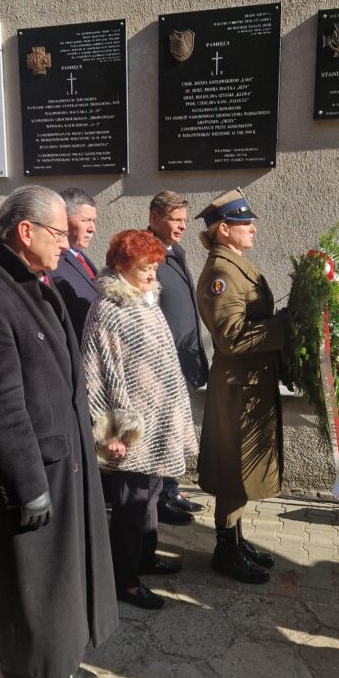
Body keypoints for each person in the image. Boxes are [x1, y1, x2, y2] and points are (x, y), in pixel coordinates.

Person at [0, 185, 118, 678]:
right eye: (60, 234)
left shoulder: (32, 284)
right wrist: (26, 484)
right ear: (27, 232)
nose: (69, 246)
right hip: (32, 471)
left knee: (63, 574)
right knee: (28, 582)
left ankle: (57, 657)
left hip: (66, 457)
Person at [81, 229, 198, 610]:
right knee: (130, 505)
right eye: (144, 268)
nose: (152, 275)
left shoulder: (146, 300)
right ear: (120, 266)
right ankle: (123, 580)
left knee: (149, 497)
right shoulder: (108, 309)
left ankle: (144, 558)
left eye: (154, 267)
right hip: (130, 428)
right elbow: (97, 372)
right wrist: (110, 431)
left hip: (158, 421)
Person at [195, 188, 288, 585]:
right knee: (234, 469)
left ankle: (235, 538)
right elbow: (231, 338)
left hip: (251, 383)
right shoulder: (221, 273)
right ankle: (225, 550)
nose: (251, 229)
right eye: (243, 223)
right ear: (223, 230)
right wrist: (285, 325)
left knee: (241, 470)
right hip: (238, 387)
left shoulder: (235, 264)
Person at [148, 190, 208, 526]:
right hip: (158, 365)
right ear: (155, 218)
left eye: (185, 220)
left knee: (171, 430)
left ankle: (171, 489)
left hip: (180, 361)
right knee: (159, 431)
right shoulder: (146, 253)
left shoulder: (175, 250)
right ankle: (158, 500)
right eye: (175, 219)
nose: (182, 226)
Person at [51, 188, 98, 344]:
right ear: (64, 219)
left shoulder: (79, 255)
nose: (92, 228)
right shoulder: (53, 262)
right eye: (85, 220)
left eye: (94, 221)